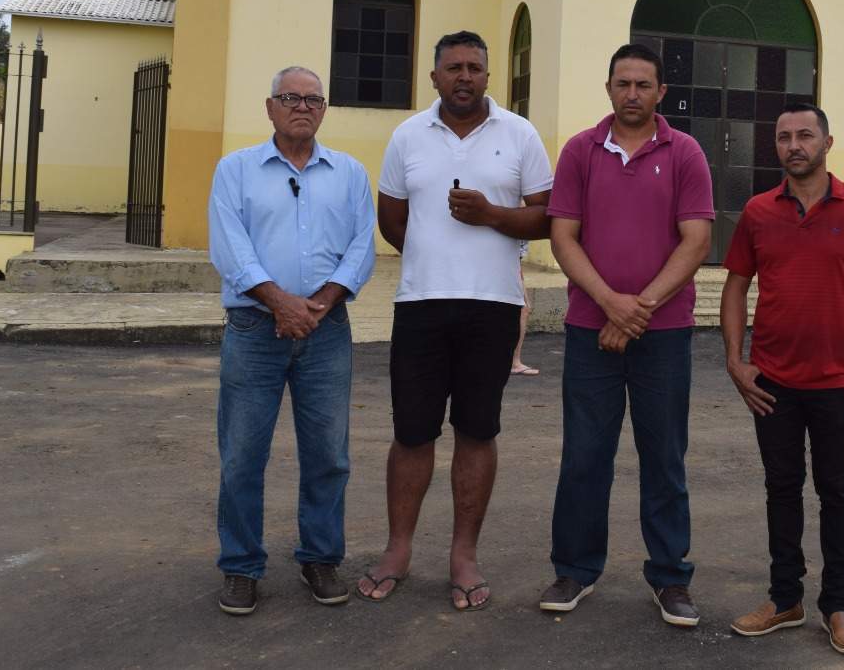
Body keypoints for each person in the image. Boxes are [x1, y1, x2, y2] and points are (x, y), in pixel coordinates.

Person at [356, 31, 553, 610]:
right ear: (434, 76)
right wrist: (432, 257)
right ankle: (398, 550)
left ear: (488, 76)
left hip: (491, 307)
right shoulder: (408, 135)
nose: (463, 76)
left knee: (477, 431)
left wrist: (492, 215)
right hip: (420, 304)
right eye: (452, 68)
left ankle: (464, 556)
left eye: (474, 67)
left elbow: (547, 217)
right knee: (412, 432)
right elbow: (393, 221)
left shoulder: (520, 135)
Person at [719, 102, 844, 655]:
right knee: (780, 489)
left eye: (805, 135)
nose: (794, 145)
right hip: (771, 381)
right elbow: (734, 286)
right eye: (784, 137)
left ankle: (837, 606)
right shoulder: (757, 212)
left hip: (840, 385)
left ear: (828, 143)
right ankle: (784, 600)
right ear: (774, 147)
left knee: (836, 491)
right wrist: (735, 359)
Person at [538, 44, 713, 628]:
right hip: (591, 330)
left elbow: (695, 242)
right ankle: (574, 569)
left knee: (664, 456)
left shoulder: (684, 152)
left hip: (664, 335)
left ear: (662, 92)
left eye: (643, 84)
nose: (632, 93)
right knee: (585, 454)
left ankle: (670, 578)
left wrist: (638, 309)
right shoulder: (580, 152)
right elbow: (564, 238)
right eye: (623, 83)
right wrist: (611, 304)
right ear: (608, 89)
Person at [207, 66, 377, 616]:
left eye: (312, 99)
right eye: (290, 97)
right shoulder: (235, 171)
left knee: (329, 455)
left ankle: (320, 558)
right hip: (255, 330)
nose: (301, 106)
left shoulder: (349, 173)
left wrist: (319, 305)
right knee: (241, 456)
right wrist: (279, 303)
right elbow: (231, 248)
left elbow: (361, 248)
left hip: (326, 332)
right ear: (270, 107)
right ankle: (240, 566)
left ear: (323, 109)